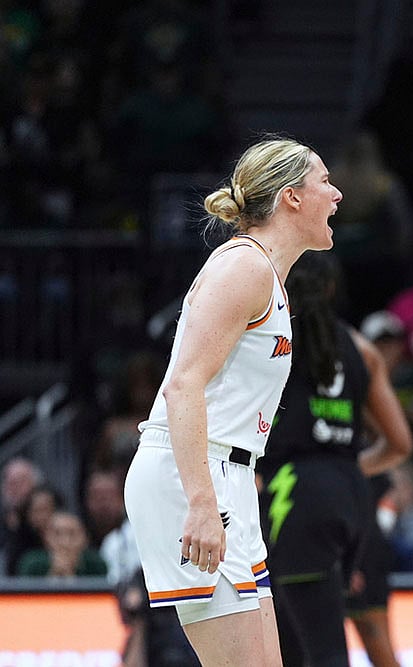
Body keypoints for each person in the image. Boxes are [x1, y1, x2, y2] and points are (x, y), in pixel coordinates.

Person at [123, 136, 343, 667]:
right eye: (324, 182)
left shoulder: (267, 273)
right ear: (291, 197)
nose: (336, 195)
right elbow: (182, 384)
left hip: (227, 476)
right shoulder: (243, 267)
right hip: (195, 478)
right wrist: (202, 502)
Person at [258, 250, 413, 667]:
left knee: (309, 650)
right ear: (331, 288)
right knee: (325, 639)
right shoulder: (362, 348)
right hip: (350, 493)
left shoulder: (270, 341)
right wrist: (341, 470)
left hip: (293, 493)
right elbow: (399, 443)